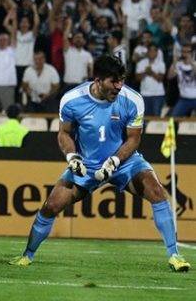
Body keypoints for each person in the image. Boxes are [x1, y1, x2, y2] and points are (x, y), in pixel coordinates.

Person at [10, 55, 190, 272]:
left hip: (124, 162)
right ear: (98, 79)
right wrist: (72, 157)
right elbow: (64, 134)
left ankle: (175, 256)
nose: (119, 86)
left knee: (157, 191)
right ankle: (27, 255)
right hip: (87, 166)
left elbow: (134, 138)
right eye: (113, 81)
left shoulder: (133, 100)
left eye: (122, 80)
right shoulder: (72, 100)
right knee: (51, 206)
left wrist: (114, 161)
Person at [135, 44, 166, 117]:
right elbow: (137, 78)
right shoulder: (141, 63)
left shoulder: (161, 64)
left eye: (154, 51)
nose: (152, 52)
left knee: (156, 118)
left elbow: (161, 79)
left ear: (157, 52)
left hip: (158, 95)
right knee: (144, 118)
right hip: (144, 94)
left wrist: (151, 72)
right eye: (150, 50)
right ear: (147, 52)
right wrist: (146, 72)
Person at [167, 43, 196, 117]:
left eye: (187, 52)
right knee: (173, 118)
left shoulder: (195, 64)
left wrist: (192, 63)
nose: (185, 54)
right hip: (184, 99)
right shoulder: (178, 64)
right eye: (183, 51)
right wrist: (174, 62)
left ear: (192, 53)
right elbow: (169, 77)